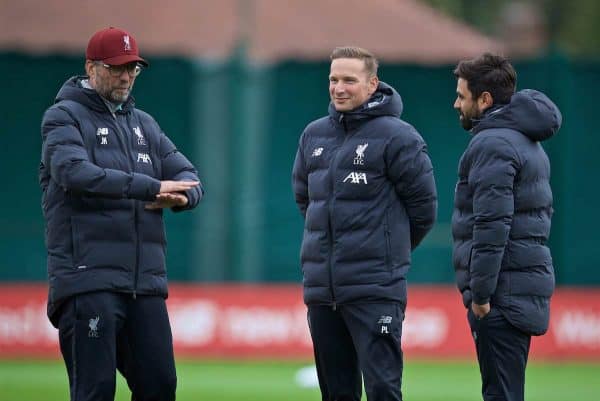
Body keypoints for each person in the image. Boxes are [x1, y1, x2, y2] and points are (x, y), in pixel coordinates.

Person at [39, 27, 203, 401]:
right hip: (88, 280)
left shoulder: (144, 123)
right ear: (91, 68)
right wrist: (151, 186)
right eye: (116, 68)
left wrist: (181, 199)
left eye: (133, 69)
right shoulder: (62, 117)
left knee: (160, 387)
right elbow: (73, 173)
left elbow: (190, 179)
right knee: (95, 391)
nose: (126, 77)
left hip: (144, 284)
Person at [292, 46, 437, 401]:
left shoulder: (400, 137)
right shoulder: (313, 134)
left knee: (383, 390)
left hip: (375, 289)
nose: (339, 88)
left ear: (372, 84)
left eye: (349, 80)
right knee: (336, 393)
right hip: (323, 293)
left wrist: (384, 249)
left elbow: (423, 211)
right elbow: (306, 202)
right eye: (333, 79)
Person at [452, 53, 562, 401]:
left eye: (461, 95)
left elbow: (491, 225)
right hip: (518, 287)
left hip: (501, 296)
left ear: (484, 100)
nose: (457, 103)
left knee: (501, 395)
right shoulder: (525, 141)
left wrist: (481, 296)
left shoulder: (494, 143)